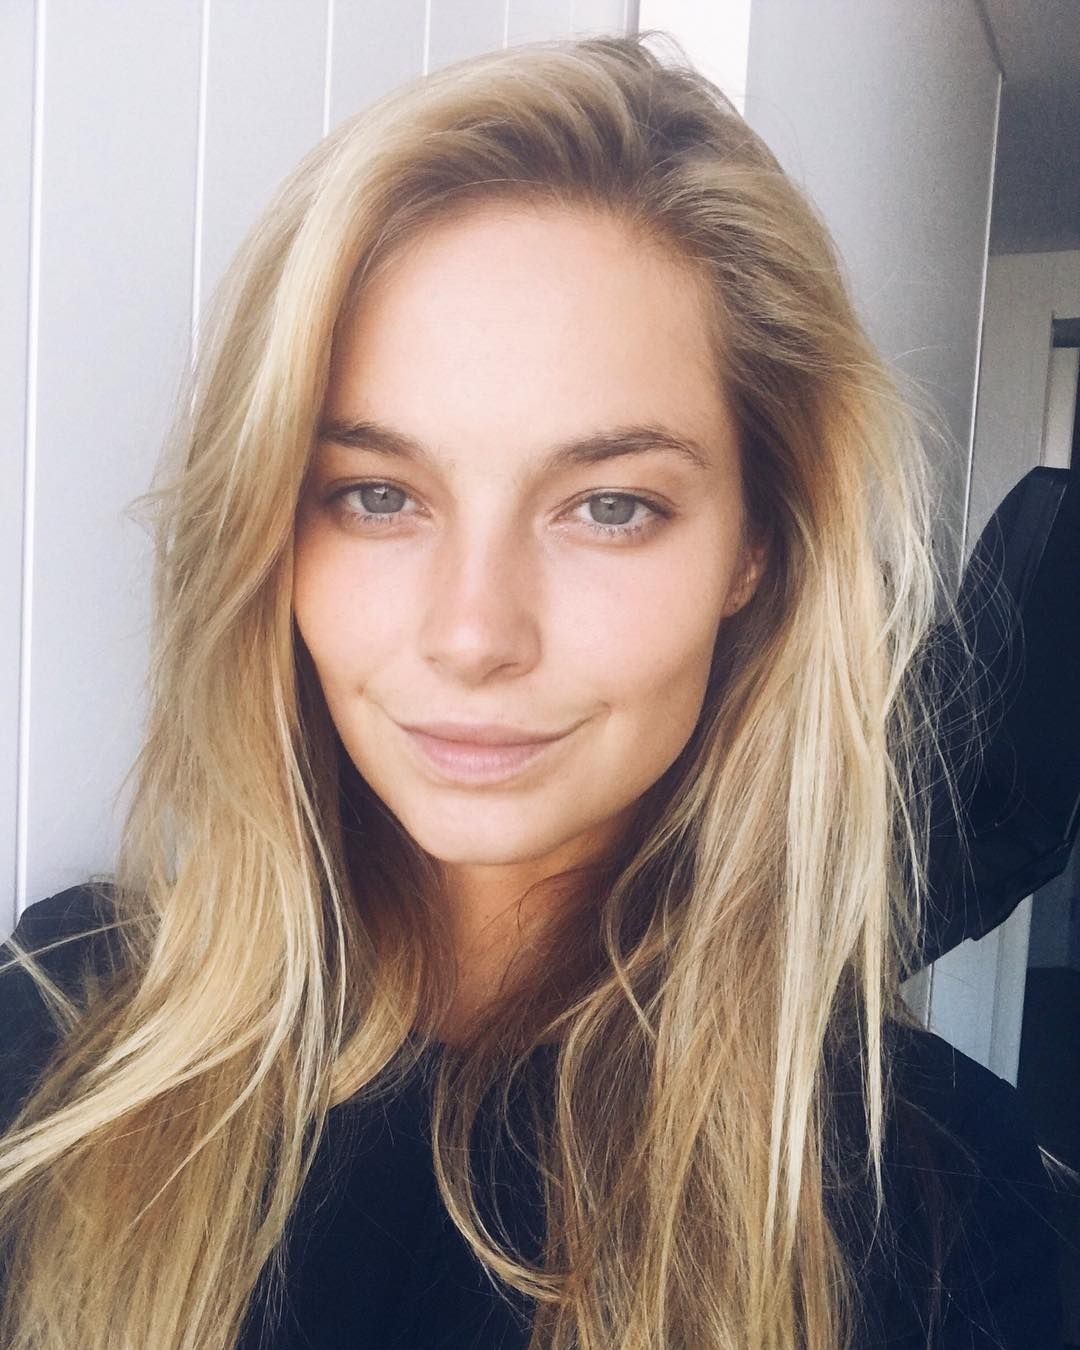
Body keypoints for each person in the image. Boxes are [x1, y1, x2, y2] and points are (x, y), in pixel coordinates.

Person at [0, 30, 1068, 1350]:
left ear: (757, 545)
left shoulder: (937, 1203)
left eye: (610, 505)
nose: (473, 634)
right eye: (377, 494)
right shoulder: (60, 1029)